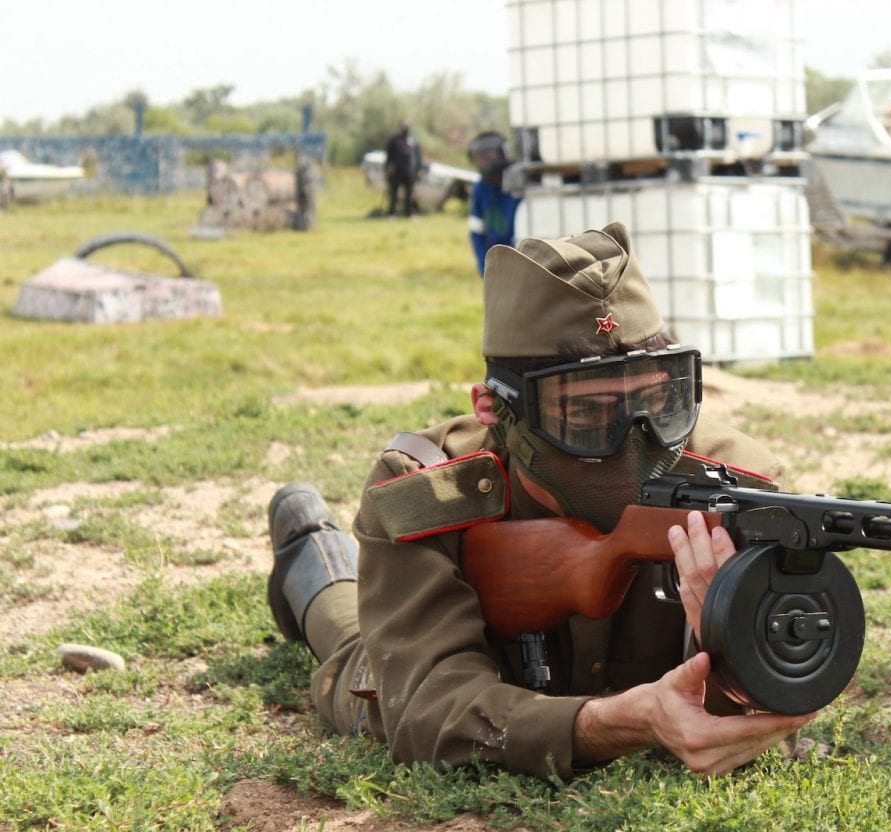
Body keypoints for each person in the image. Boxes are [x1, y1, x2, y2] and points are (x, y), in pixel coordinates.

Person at [266, 222, 815, 780]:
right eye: (582, 415)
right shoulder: (426, 489)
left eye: (654, 402)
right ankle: (309, 542)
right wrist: (623, 722)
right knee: (349, 641)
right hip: (431, 670)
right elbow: (429, 709)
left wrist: (729, 646)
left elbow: (765, 706)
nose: (632, 440)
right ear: (491, 408)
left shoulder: (741, 489)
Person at [466, 131, 522, 275]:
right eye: (480, 158)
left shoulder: (520, 183)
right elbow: (476, 232)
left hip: (523, 257)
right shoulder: (480, 188)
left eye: (489, 156)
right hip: (497, 260)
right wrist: (484, 266)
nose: (485, 162)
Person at [384, 119, 423, 217]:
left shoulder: (413, 140)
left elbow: (418, 156)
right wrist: (387, 168)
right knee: (393, 194)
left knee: (409, 195)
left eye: (407, 127)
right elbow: (389, 155)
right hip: (396, 171)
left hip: (409, 171)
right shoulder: (394, 140)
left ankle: (409, 213)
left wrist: (418, 169)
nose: (405, 129)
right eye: (404, 126)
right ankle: (391, 213)